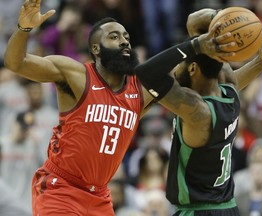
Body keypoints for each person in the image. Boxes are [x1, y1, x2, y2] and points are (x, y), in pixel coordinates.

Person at [4, 1, 233, 215]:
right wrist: (24, 29)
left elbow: (211, 88)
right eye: (114, 37)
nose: (124, 41)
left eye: (127, 37)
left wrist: (259, 62)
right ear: (96, 48)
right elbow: (16, 63)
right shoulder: (76, 74)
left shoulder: (141, 91)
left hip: (100, 195)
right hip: (61, 187)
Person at [135, 8, 262, 216]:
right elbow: (193, 22)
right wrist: (260, 61)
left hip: (199, 211)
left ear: (192, 69)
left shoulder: (197, 111)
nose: (176, 68)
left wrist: (194, 45)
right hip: (227, 207)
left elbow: (145, 74)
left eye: (181, 65)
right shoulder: (229, 92)